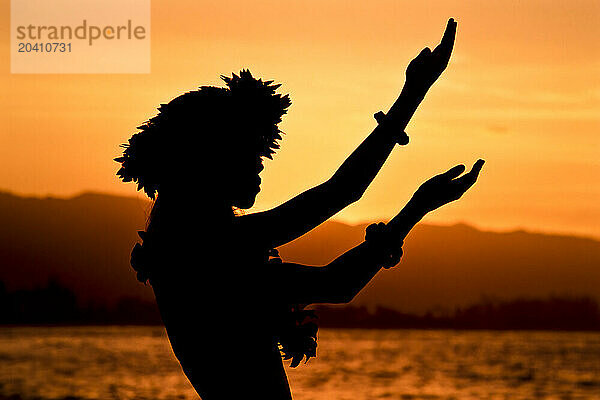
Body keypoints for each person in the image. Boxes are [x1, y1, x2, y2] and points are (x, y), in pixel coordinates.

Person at [115, 18, 483, 400]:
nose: (260, 165)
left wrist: (416, 208)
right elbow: (341, 196)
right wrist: (413, 94)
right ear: (208, 162)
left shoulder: (190, 252)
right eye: (248, 154)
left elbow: (338, 283)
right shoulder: (205, 251)